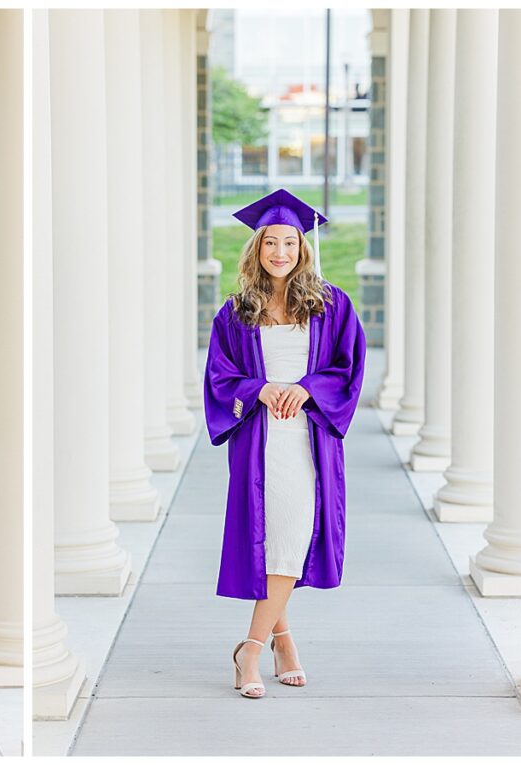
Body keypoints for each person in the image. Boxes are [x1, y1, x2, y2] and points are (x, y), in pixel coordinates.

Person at [203, 189, 366, 698]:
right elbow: (220, 376)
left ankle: (249, 649)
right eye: (270, 242)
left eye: (289, 243)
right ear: (256, 249)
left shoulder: (331, 303)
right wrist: (260, 388)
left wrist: (306, 387)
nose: (279, 252)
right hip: (258, 440)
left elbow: (347, 368)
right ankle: (282, 643)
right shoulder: (236, 312)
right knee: (272, 540)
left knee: (293, 537)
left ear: (303, 247)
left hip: (308, 441)